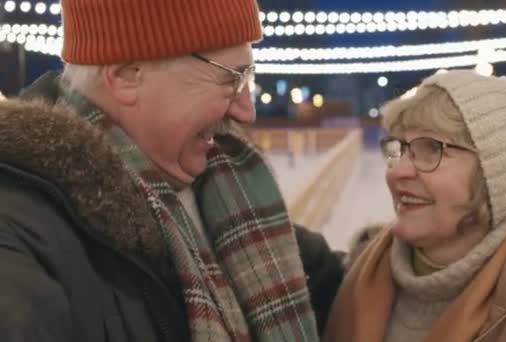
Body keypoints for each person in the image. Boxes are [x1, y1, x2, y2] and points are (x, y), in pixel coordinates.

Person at [0, 0, 343, 341]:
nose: (246, 111)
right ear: (126, 76)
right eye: (231, 79)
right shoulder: (18, 225)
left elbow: (336, 284)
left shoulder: (227, 191)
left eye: (247, 78)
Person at [324, 70, 506, 342]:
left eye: (432, 149)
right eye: (400, 147)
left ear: (495, 176)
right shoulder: (349, 273)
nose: (397, 171)